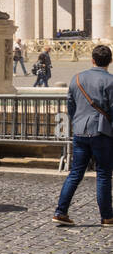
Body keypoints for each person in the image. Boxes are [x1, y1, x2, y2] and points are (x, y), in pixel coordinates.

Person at [54, 43, 113, 227]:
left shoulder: (77, 78)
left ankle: (60, 211)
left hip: (80, 131)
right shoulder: (110, 81)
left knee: (75, 173)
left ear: (92, 60)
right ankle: (107, 217)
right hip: (101, 132)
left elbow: (70, 105)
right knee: (103, 174)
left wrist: (76, 121)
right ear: (110, 61)